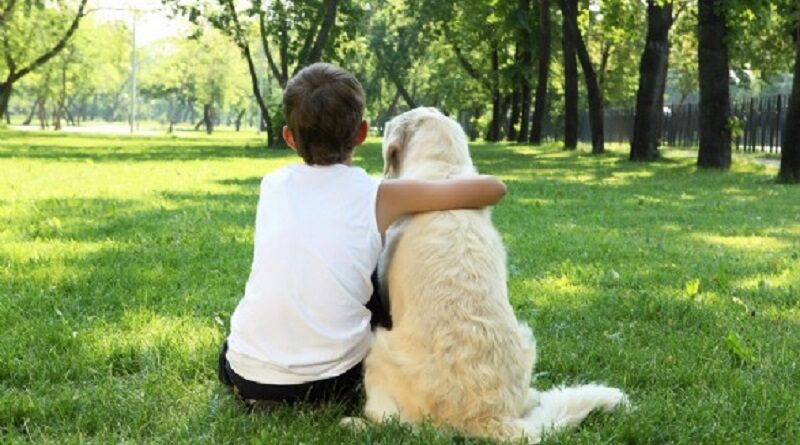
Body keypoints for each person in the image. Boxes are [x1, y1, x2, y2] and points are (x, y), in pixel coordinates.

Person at [218, 62, 506, 410]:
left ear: (289, 138)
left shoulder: (272, 185)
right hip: (332, 385)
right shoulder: (378, 194)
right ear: (362, 133)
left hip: (246, 377)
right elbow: (492, 189)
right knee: (376, 275)